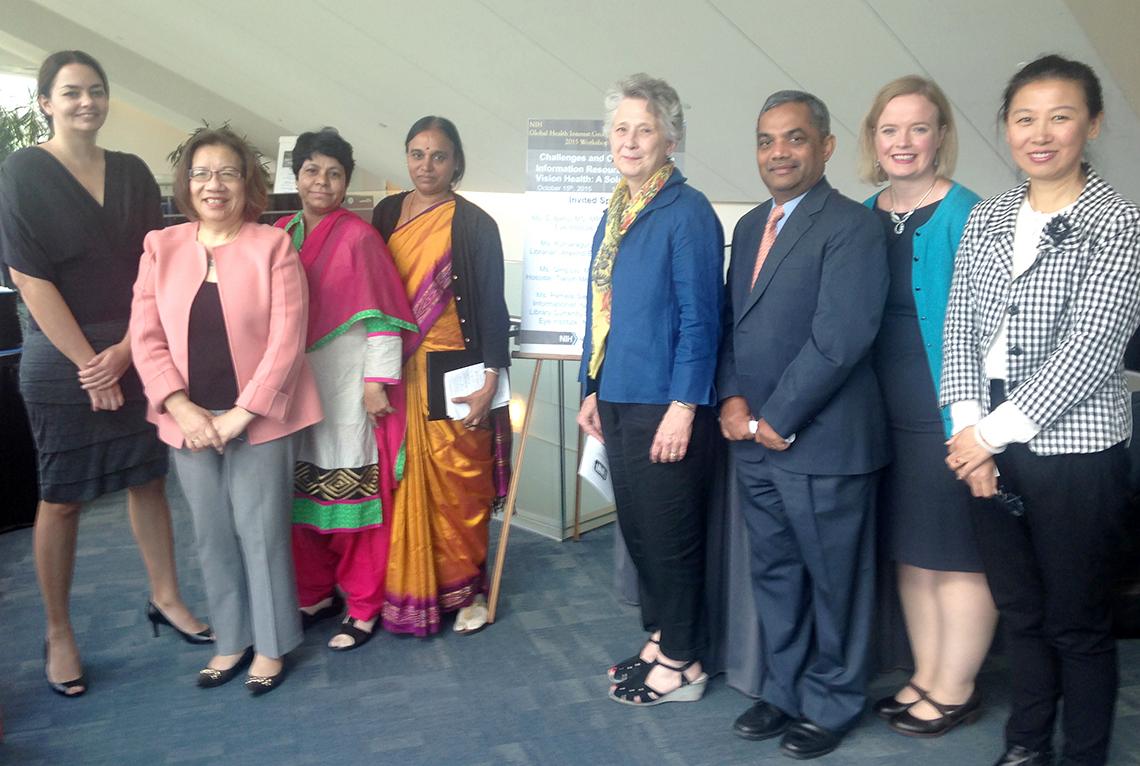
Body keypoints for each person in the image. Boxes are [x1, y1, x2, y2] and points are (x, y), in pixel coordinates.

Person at [941, 55, 1140, 766]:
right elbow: (959, 326)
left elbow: (1090, 352)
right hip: (985, 433)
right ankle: (1027, 744)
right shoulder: (990, 217)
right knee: (1021, 613)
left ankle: (1083, 754)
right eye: (1026, 118)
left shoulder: (1119, 224)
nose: (1041, 133)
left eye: (1061, 116)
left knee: (1077, 621)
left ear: (1092, 123)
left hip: (1077, 449)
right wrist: (970, 428)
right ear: (1006, 127)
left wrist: (984, 438)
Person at [0, 50, 210, 699]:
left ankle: (166, 597)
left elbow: (155, 267)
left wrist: (124, 350)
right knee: (61, 499)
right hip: (61, 361)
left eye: (95, 90)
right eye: (70, 93)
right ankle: (60, 633)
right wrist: (91, 365)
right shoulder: (22, 172)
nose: (85, 101)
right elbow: (29, 281)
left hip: (134, 346)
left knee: (148, 480)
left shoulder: (132, 173)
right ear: (45, 103)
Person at [718, 90, 889, 759]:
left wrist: (777, 419)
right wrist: (732, 401)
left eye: (793, 138)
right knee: (777, 575)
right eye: (766, 140)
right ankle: (784, 690)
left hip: (823, 441)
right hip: (754, 442)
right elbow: (737, 325)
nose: (777, 152)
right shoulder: (750, 222)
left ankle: (834, 701)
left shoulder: (852, 226)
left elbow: (841, 338)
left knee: (835, 583)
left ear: (825, 146)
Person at [130, 126, 322, 694]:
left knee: (260, 531)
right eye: (202, 174)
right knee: (211, 533)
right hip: (187, 421)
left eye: (228, 173)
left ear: (248, 183)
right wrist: (181, 407)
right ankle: (231, 639)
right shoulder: (159, 248)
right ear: (187, 184)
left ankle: (271, 644)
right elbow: (145, 336)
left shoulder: (273, 246)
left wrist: (243, 413)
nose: (214, 185)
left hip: (260, 419)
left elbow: (289, 339)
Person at [576, 73, 724, 706]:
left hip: (665, 403)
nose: (630, 141)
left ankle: (686, 662)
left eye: (643, 129)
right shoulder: (618, 208)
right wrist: (590, 385)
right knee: (638, 531)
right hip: (617, 394)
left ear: (671, 136)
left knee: (671, 535)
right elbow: (598, 306)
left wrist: (684, 407)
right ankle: (664, 636)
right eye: (620, 129)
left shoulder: (686, 211)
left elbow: (701, 320)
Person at [857, 76, 996, 737]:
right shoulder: (863, 213)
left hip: (950, 413)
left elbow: (997, 330)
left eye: (918, 127)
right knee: (912, 550)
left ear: (942, 133)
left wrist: (978, 427)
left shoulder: (971, 213)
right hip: (880, 415)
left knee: (958, 552)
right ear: (873, 139)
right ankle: (924, 673)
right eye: (890, 129)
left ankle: (957, 683)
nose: (903, 142)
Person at [275, 128, 415, 651]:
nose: (322, 181)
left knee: (353, 497)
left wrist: (378, 384)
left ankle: (362, 605)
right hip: (290, 389)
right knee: (299, 499)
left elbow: (384, 321)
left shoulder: (359, 238)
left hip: (347, 389)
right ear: (297, 174)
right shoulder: (282, 233)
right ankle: (313, 592)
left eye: (334, 173)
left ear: (346, 182)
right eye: (312, 170)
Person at [372, 116, 511, 637]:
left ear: (456, 162)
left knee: (460, 486)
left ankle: (466, 590)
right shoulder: (387, 213)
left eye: (438, 156)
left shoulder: (475, 223)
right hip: (393, 367)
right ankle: (406, 584)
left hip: (456, 371)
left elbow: (493, 308)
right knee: (396, 480)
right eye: (416, 154)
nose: (426, 166)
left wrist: (492, 378)